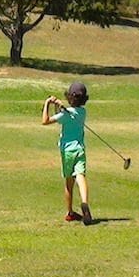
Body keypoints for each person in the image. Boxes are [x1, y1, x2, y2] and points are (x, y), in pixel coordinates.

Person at [42, 81, 93, 225]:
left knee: (69, 182)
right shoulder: (82, 113)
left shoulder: (66, 114)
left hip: (67, 152)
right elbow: (67, 114)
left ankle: (70, 212)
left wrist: (47, 103)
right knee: (81, 176)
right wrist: (59, 106)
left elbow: (45, 121)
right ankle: (84, 202)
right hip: (80, 149)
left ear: (70, 97)